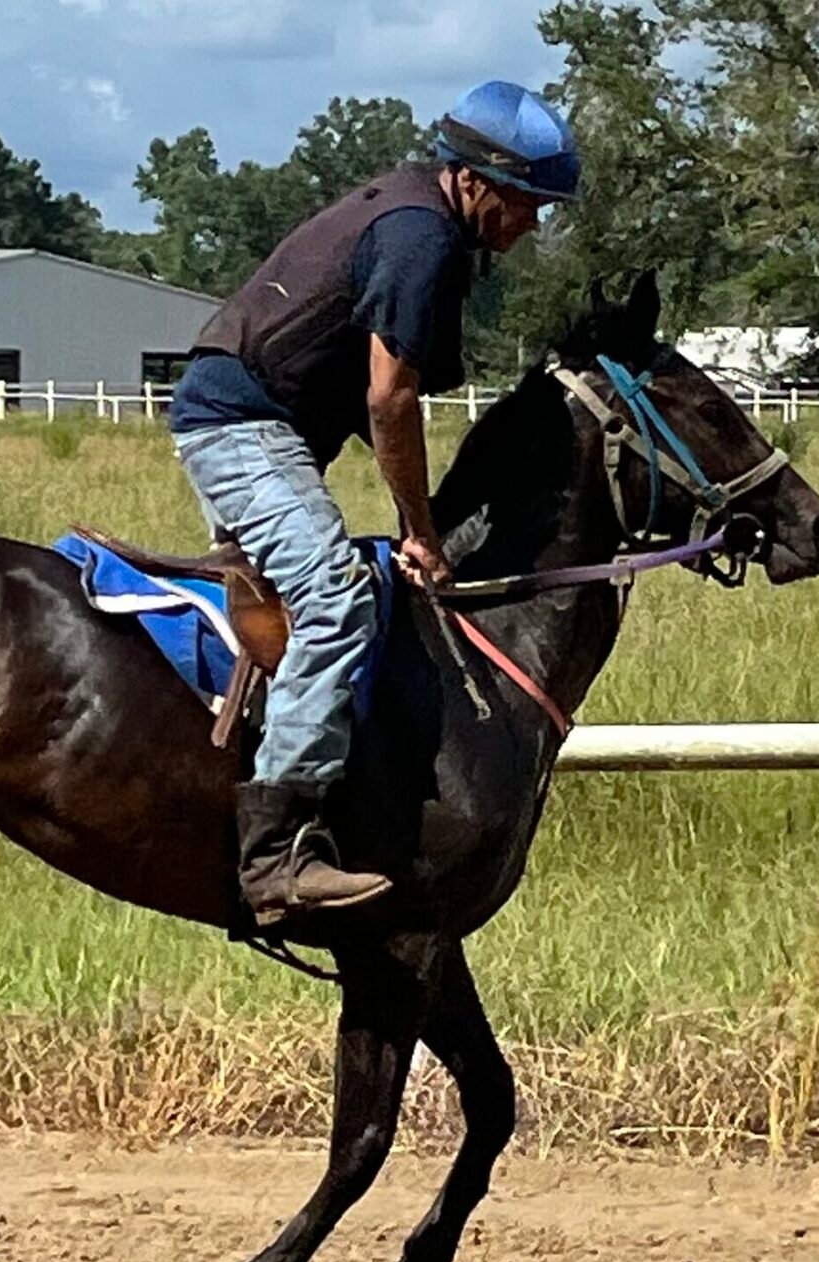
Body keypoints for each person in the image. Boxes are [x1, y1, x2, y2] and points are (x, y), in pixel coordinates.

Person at [167, 80, 580, 930]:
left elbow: (379, 396)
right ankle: (276, 855)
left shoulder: (420, 222)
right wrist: (420, 531)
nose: (531, 224)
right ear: (473, 180)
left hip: (260, 421)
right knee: (336, 596)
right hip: (238, 425)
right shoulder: (419, 237)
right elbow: (389, 400)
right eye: (526, 202)